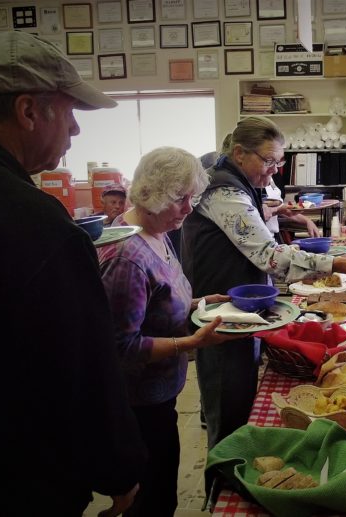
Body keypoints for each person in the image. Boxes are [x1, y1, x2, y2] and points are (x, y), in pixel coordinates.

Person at [0, 31, 147, 516]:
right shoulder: (32, 222)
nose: (75, 131)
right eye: (70, 112)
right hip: (5, 480)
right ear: (29, 111)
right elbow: (80, 364)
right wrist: (119, 467)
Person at [181, 116, 346, 449]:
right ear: (239, 153)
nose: (276, 170)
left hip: (240, 309)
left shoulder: (235, 180)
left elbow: (251, 226)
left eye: (280, 161)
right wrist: (341, 264)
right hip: (222, 315)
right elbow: (269, 256)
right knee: (227, 413)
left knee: (240, 402)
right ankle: (220, 487)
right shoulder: (224, 192)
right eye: (269, 160)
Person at [99, 146, 237, 516]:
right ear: (150, 194)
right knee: (154, 497)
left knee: (161, 486)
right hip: (139, 401)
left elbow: (157, 302)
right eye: (181, 199)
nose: (189, 209)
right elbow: (121, 346)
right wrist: (192, 342)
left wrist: (198, 302)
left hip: (159, 392)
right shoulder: (127, 254)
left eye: (192, 197)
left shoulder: (155, 230)